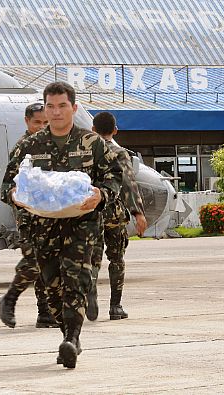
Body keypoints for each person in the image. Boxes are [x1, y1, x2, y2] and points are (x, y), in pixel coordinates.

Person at [0, 82, 122, 369]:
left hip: (82, 225)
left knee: (76, 281)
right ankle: (67, 332)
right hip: (42, 227)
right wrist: (16, 196)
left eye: (62, 106)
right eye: (50, 107)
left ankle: (72, 338)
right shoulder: (29, 145)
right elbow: (8, 184)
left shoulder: (93, 143)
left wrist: (100, 195)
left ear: (74, 108)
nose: (56, 112)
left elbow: (114, 178)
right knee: (52, 289)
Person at [0, 102, 57, 329]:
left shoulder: (55, 145)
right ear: (26, 122)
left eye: (46, 122)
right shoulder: (23, 147)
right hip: (28, 216)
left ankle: (44, 313)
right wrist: (16, 196)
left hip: (51, 214)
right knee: (34, 260)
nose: (42, 127)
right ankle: (10, 298)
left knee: (48, 264)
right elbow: (5, 187)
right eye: (37, 122)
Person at [88, 111, 147, 321]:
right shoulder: (119, 152)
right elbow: (129, 184)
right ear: (115, 130)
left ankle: (90, 292)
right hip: (114, 213)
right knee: (117, 259)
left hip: (90, 212)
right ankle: (115, 306)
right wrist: (138, 213)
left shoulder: (86, 152)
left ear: (93, 130)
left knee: (92, 258)